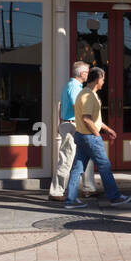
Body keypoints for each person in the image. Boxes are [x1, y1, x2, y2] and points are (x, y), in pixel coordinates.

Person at [65, 67, 131, 209]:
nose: (104, 82)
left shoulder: (88, 94)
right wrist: (97, 134)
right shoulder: (88, 96)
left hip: (81, 135)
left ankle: (70, 200)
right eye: (103, 79)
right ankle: (115, 197)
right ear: (97, 79)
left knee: (77, 168)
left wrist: (108, 130)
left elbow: (95, 119)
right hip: (89, 137)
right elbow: (87, 119)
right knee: (104, 166)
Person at [49, 62, 96, 201]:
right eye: (87, 72)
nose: (88, 74)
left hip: (71, 125)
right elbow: (79, 107)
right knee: (67, 158)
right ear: (82, 73)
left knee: (86, 155)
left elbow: (62, 107)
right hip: (73, 126)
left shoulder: (72, 86)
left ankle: (89, 187)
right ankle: (56, 192)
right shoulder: (74, 87)